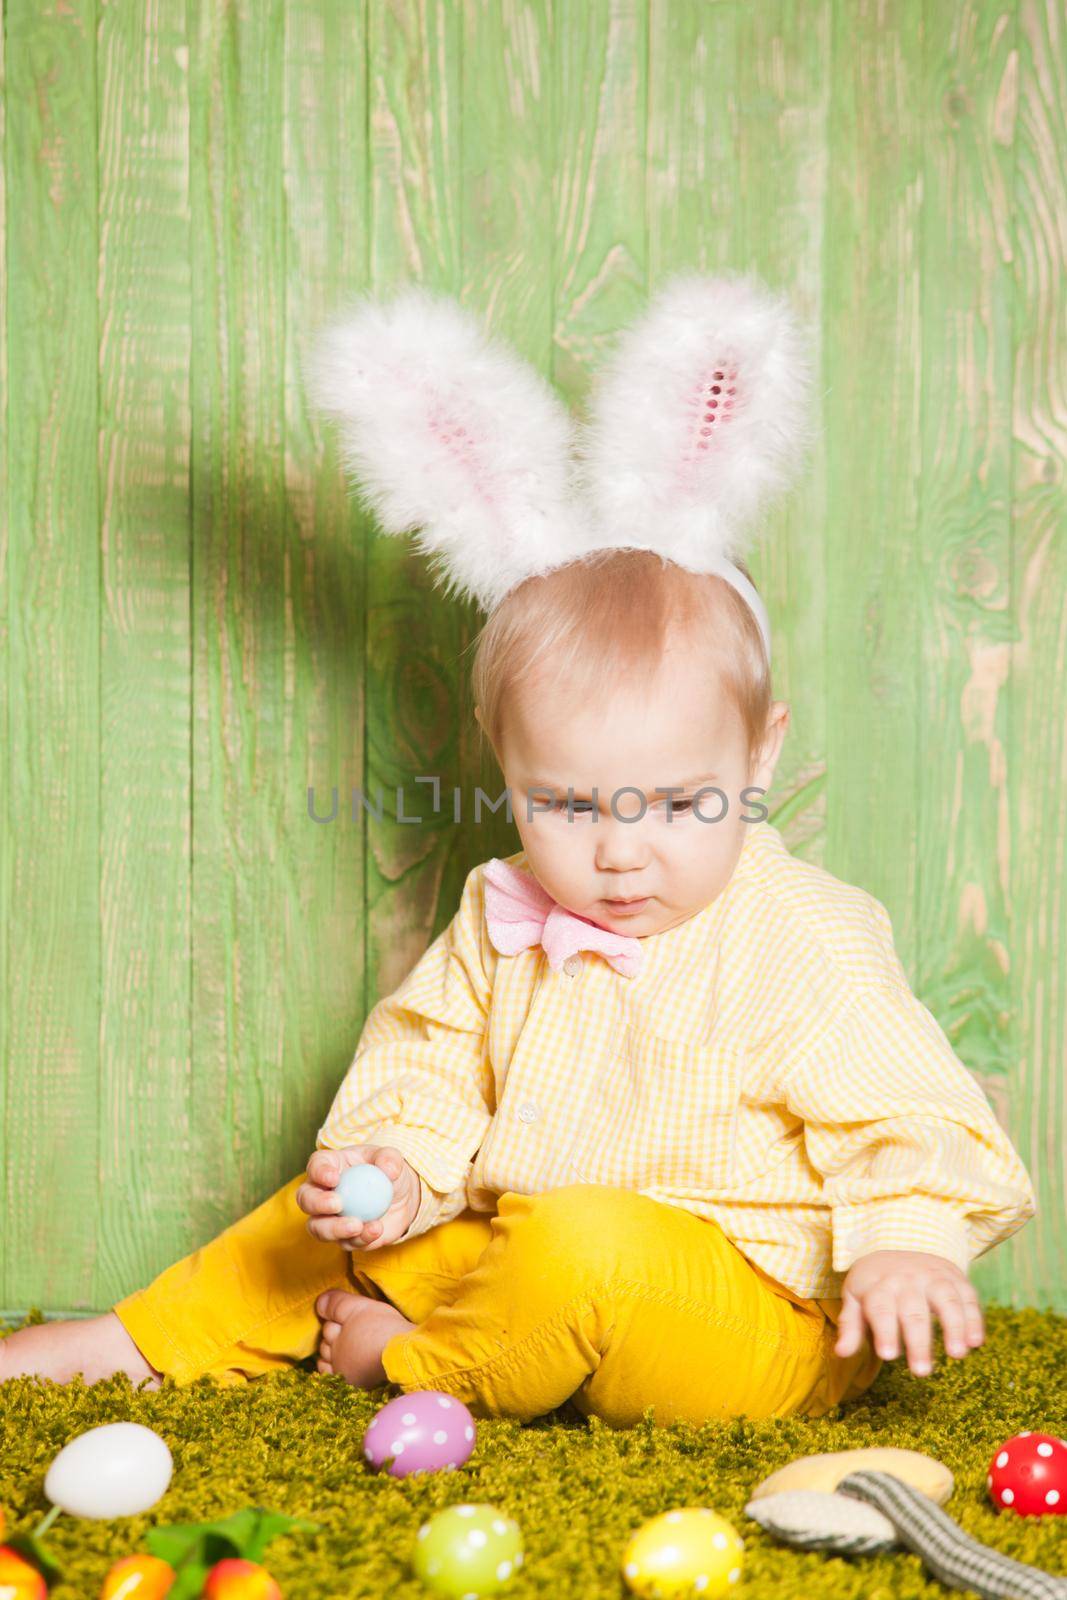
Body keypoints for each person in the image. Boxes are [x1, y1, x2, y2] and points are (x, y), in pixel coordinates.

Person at [0, 275, 1036, 1428]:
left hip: (747, 1323)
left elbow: (911, 1116)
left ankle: (401, 1369)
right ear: (505, 773)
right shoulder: (502, 914)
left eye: (681, 803)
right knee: (334, 1219)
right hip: (533, 1250)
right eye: (569, 806)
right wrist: (391, 1170)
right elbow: (433, 1061)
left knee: (583, 1238)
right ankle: (141, 1336)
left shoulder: (800, 934)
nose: (620, 854)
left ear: (758, 759)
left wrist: (904, 1247)